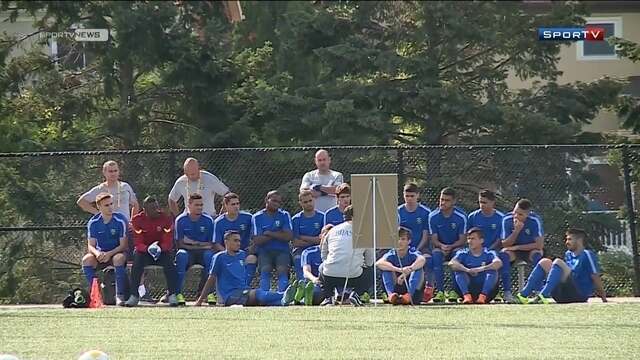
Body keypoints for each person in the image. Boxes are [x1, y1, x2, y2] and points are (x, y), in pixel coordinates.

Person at [194, 230, 297, 307]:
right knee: (258, 293)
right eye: (235, 240)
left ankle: (289, 300)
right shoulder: (219, 257)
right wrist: (200, 300)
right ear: (226, 242)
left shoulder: (242, 254)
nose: (238, 243)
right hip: (229, 295)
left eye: (239, 241)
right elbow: (211, 279)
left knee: (262, 301)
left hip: (243, 291)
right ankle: (289, 295)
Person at [515, 228, 607, 304]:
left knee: (558, 262)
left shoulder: (587, 254)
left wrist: (603, 297)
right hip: (562, 295)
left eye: (570, 239)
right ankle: (523, 295)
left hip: (578, 294)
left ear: (579, 240)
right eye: (566, 239)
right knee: (544, 262)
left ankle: (543, 295)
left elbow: (595, 276)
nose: (567, 242)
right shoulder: (568, 254)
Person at [125, 196, 179, 307]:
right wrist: (147, 249)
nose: (156, 210)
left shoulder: (166, 219)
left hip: (161, 252)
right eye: (152, 208)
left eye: (156, 207)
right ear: (145, 210)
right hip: (144, 252)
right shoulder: (137, 220)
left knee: (169, 262)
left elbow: (168, 241)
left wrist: (160, 248)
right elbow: (138, 242)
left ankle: (172, 294)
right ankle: (134, 295)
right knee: (137, 261)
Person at [320, 205, 374, 306]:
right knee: (371, 271)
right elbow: (370, 261)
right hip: (354, 276)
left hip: (330, 275)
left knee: (322, 267)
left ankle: (328, 297)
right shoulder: (365, 233)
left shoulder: (332, 231)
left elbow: (323, 253)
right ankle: (356, 294)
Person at [81, 193, 129, 306]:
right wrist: (97, 253)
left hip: (117, 253)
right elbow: (90, 245)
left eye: (111, 204)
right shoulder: (93, 222)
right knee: (86, 260)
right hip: (101, 255)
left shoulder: (120, 220)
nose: (110, 207)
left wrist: (109, 254)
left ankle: (119, 295)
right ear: (99, 207)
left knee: (118, 259)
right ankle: (97, 294)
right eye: (106, 205)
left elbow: (123, 245)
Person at [498, 198, 544, 303]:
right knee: (504, 255)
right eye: (515, 213)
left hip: (529, 249)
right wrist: (516, 231)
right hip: (513, 251)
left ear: (528, 214)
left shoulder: (535, 220)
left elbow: (539, 245)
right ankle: (507, 293)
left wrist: (517, 247)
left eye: (520, 214)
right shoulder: (507, 219)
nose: (516, 216)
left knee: (537, 255)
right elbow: (505, 244)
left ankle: (538, 292)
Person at [426, 187, 467, 303]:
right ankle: (440, 292)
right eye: (441, 199)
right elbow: (433, 239)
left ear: (454, 201)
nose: (443, 203)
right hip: (440, 247)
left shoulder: (461, 216)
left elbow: (463, 239)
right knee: (436, 255)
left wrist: (451, 247)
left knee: (457, 255)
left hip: (456, 247)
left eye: (447, 200)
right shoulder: (433, 216)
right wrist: (442, 246)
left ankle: (454, 291)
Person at [174, 193, 216, 305]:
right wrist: (196, 245)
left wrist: (194, 243)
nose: (200, 207)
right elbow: (180, 244)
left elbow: (211, 244)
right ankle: (177, 293)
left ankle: (207, 293)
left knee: (210, 256)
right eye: (197, 205)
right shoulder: (180, 220)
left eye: (201, 205)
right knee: (181, 255)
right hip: (188, 252)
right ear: (189, 205)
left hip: (203, 252)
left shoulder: (208, 220)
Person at [252, 191, 293, 292]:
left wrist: (269, 233)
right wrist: (279, 233)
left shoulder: (284, 215)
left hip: (282, 250)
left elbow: (289, 236)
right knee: (265, 270)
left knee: (282, 270)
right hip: (264, 251)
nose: (276, 204)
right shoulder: (257, 217)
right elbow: (258, 240)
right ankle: (264, 296)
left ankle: (282, 296)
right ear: (266, 200)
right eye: (274, 200)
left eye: (279, 202)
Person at [449, 228, 503, 304]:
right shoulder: (463, 253)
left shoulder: (489, 253)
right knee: (458, 271)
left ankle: (482, 297)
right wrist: (467, 270)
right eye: (468, 239)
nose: (470, 241)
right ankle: (467, 297)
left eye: (473, 239)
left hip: (486, 292)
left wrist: (480, 269)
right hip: (468, 289)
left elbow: (498, 263)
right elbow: (452, 263)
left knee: (492, 271)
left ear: (481, 240)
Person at [213, 193, 256, 287]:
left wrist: (251, 248)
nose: (236, 206)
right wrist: (229, 253)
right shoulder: (219, 222)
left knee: (252, 259)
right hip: (227, 254)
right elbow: (216, 244)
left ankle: (243, 287)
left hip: (244, 252)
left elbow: (255, 236)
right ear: (225, 206)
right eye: (233, 204)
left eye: (237, 203)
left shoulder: (248, 218)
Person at [376, 227, 426, 305]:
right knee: (386, 269)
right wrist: (399, 270)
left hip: (413, 290)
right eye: (397, 239)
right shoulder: (392, 253)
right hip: (396, 287)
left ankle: (409, 296)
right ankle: (391, 295)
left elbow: (422, 260)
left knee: (418, 269)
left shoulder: (412, 252)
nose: (399, 242)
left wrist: (408, 270)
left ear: (409, 241)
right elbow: (379, 263)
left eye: (403, 239)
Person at [291, 190, 325, 281]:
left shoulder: (322, 217)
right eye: (305, 202)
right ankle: (302, 285)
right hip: (300, 250)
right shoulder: (295, 219)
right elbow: (296, 242)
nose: (309, 203)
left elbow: (321, 240)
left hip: (318, 249)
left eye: (310, 200)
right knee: (298, 259)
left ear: (314, 200)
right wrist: (314, 240)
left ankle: (321, 286)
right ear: (300, 203)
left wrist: (303, 237)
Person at [298, 224, 333, 306]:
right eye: (326, 235)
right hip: (315, 284)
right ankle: (301, 298)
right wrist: (314, 279)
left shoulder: (337, 254)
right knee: (316, 293)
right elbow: (306, 272)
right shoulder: (308, 252)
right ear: (320, 236)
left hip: (331, 284)